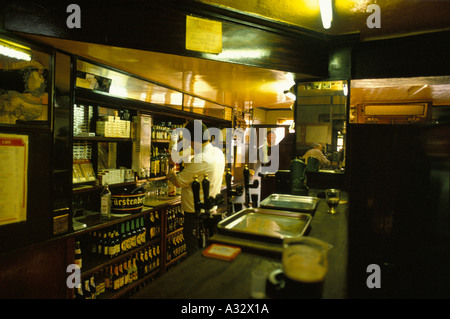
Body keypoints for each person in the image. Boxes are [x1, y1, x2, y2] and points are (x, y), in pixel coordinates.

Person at [167, 120, 225, 256]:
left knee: (193, 252)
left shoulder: (201, 159)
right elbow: (194, 149)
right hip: (211, 210)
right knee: (205, 249)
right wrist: (178, 155)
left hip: (195, 215)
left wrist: (170, 170)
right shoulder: (217, 152)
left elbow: (178, 181)